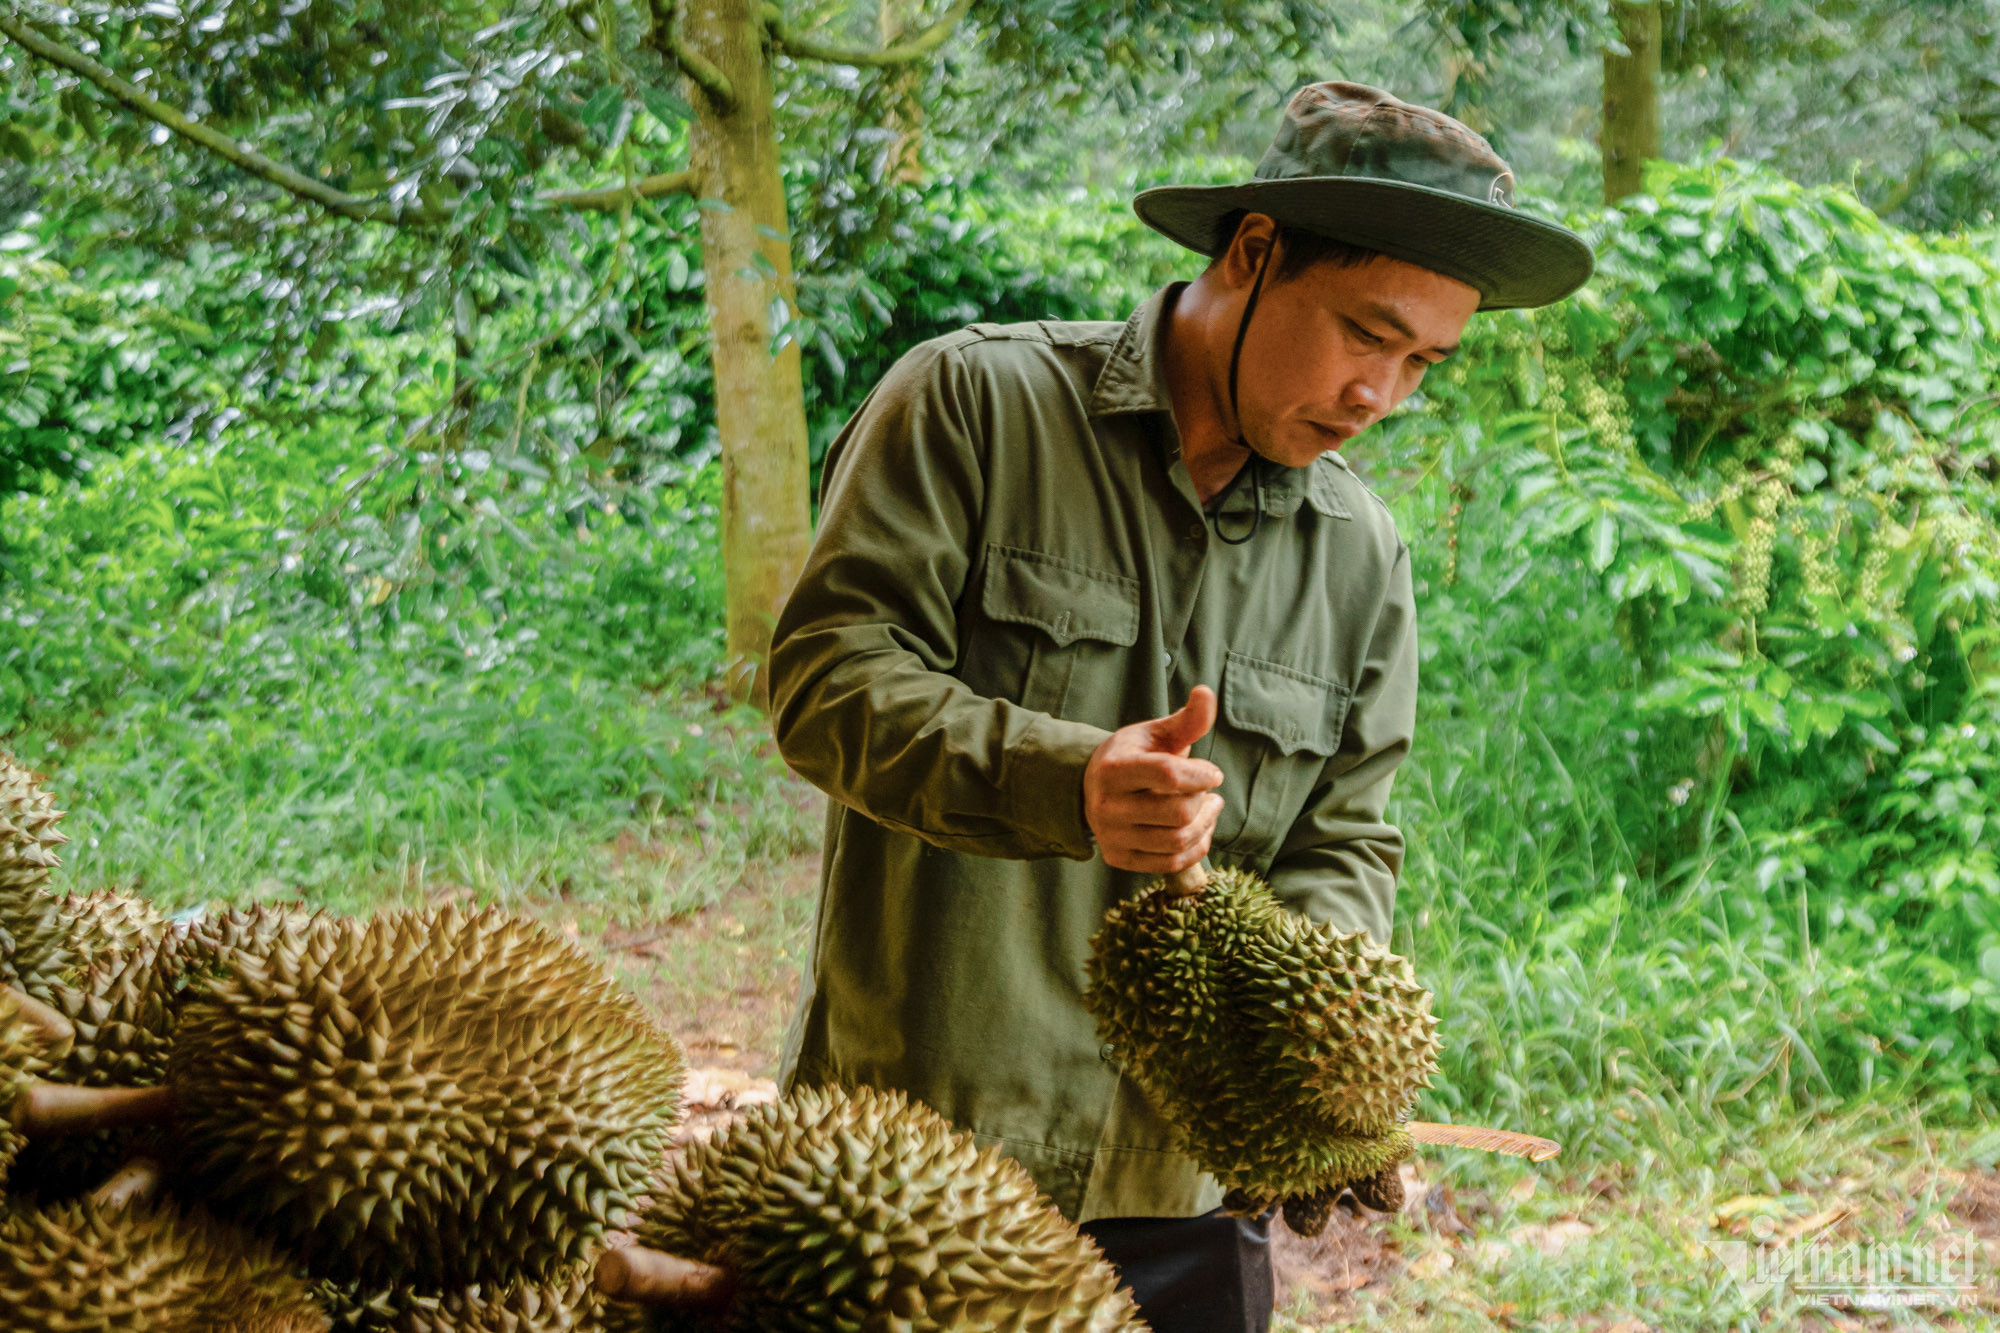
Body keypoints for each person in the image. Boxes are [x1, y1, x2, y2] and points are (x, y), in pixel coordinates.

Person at [766, 80, 1593, 1333]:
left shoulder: (1359, 553)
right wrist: (1066, 779)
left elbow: (1342, 836)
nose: (1381, 394)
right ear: (1252, 252)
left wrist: (1328, 1053)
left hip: (1185, 1201)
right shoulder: (971, 407)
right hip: (905, 1162)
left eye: (1422, 361)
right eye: (1366, 334)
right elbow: (826, 678)